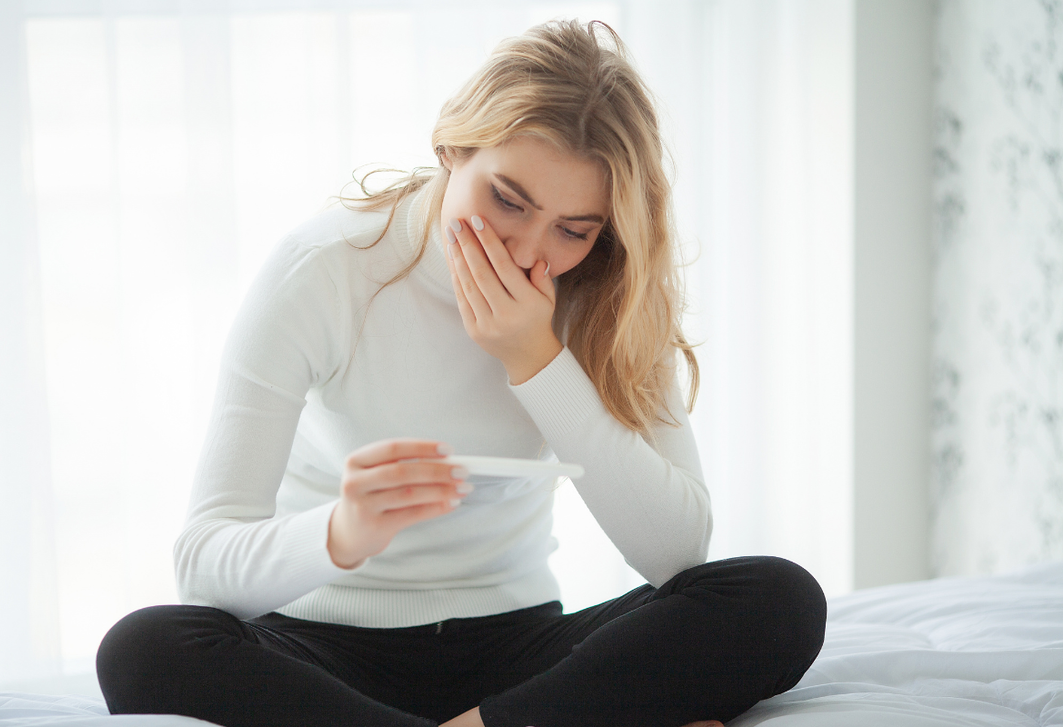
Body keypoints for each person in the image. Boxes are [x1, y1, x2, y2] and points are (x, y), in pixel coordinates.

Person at [95, 19, 826, 727]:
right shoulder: (323, 273)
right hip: (323, 648)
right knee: (143, 649)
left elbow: (677, 552)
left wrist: (536, 359)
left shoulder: (606, 292)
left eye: (573, 229)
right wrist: (340, 532)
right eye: (508, 200)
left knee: (779, 599)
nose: (525, 250)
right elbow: (203, 562)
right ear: (452, 147)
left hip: (520, 651)